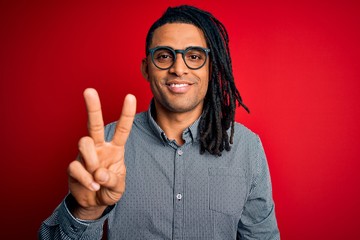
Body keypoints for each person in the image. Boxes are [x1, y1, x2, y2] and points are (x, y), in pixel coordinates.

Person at [39, 5, 280, 240]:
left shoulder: (246, 147)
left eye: (194, 56)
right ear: (146, 69)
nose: (178, 68)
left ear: (210, 68)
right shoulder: (107, 142)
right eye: (164, 56)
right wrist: (85, 212)